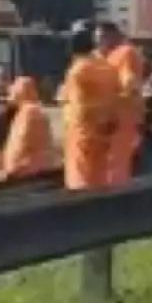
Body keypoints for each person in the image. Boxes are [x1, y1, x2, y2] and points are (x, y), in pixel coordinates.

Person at [59, 29, 119, 191]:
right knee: (99, 176)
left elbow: (77, 106)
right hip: (104, 133)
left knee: (81, 182)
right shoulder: (107, 67)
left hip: (83, 134)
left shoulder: (78, 71)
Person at [97, 22, 146, 186]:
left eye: (101, 38)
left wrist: (114, 110)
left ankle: (117, 199)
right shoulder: (114, 54)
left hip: (121, 119)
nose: (98, 42)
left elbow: (129, 84)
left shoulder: (125, 53)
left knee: (117, 164)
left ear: (113, 36)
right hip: (120, 117)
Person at [0, 76, 58, 181]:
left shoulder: (30, 113)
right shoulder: (28, 111)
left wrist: (13, 168)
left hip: (29, 172)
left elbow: (20, 143)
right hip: (31, 170)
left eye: (14, 92)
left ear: (20, 93)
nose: (11, 96)